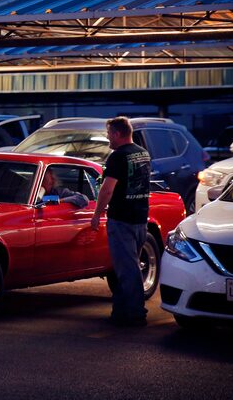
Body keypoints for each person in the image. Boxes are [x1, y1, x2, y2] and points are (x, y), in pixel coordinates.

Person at [90, 116, 151, 327]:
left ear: (117, 133)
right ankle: (120, 310)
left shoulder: (118, 157)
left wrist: (97, 215)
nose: (107, 138)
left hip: (122, 219)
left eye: (108, 134)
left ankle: (135, 313)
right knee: (130, 266)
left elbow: (107, 189)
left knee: (127, 269)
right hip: (140, 218)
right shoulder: (142, 153)